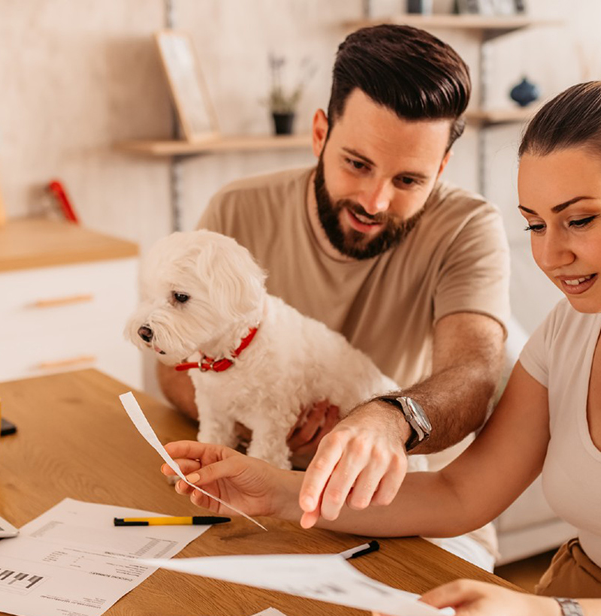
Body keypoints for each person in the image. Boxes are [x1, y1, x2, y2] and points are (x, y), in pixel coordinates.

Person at [159, 79, 601, 616]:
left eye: (579, 220)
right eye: (535, 224)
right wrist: (281, 491)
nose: (553, 255)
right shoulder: (570, 330)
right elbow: (462, 492)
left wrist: (543, 612)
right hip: (592, 597)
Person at [157, 25, 512, 534]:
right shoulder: (237, 209)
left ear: (442, 167)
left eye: (409, 179)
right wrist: (260, 418)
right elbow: (174, 362)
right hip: (248, 486)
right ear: (320, 133)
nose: (376, 202)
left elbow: (474, 376)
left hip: (401, 505)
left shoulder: (467, 226)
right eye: (357, 163)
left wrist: (387, 421)